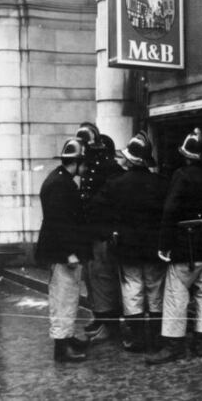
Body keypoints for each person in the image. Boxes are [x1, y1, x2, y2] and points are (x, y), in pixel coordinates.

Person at [146, 128, 202, 365]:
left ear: (186, 155)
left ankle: (174, 344)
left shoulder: (181, 175)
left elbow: (170, 210)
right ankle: (201, 340)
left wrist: (164, 244)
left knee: (176, 295)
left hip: (185, 245)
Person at [91, 132, 169, 353]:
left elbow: (96, 208)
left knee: (132, 289)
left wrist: (111, 230)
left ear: (130, 159)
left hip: (127, 247)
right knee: (155, 290)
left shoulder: (116, 184)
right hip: (154, 247)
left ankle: (136, 339)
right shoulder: (161, 183)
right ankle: (155, 337)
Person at [34, 138, 91, 362]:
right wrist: (69, 252)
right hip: (63, 253)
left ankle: (66, 338)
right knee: (63, 298)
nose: (85, 169)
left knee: (67, 296)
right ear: (76, 162)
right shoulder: (61, 184)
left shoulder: (59, 179)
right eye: (83, 163)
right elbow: (59, 223)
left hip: (61, 252)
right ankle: (61, 348)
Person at [77, 123, 124, 342]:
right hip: (91, 231)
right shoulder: (91, 168)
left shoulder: (111, 171)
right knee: (92, 277)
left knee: (104, 278)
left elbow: (110, 201)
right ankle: (100, 317)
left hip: (103, 232)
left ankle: (109, 324)